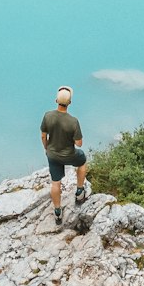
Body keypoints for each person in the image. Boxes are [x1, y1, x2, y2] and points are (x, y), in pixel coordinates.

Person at [40, 86, 89, 226]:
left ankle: (57, 212)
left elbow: (43, 136)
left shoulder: (47, 116)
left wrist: (47, 148)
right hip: (69, 155)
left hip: (53, 155)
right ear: (70, 103)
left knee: (56, 182)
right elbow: (79, 143)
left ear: (56, 100)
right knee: (82, 161)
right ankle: (80, 191)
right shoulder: (73, 121)